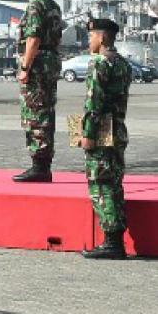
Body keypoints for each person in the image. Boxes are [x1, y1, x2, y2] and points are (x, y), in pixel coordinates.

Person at [78, 18, 131, 259]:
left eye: (91, 36)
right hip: (117, 128)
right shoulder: (122, 63)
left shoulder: (99, 63)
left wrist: (88, 133)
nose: (89, 41)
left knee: (101, 184)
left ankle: (112, 242)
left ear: (102, 37)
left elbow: (94, 102)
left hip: (101, 131)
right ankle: (115, 239)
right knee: (114, 183)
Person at [13, 0, 63, 183]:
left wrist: (25, 67)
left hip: (38, 63)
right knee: (46, 110)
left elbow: (33, 39)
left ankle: (39, 166)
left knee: (35, 113)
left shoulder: (36, 5)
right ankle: (43, 164)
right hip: (50, 61)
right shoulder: (53, 5)